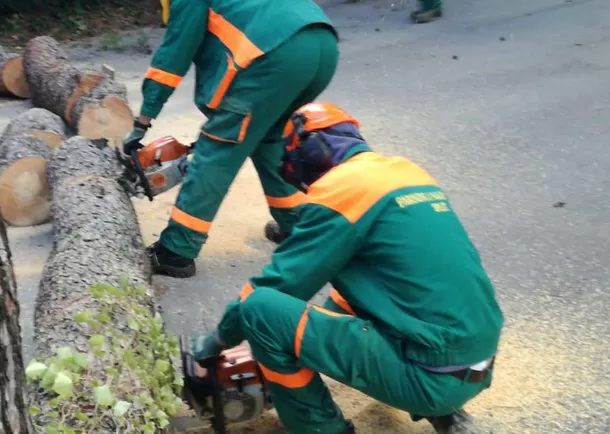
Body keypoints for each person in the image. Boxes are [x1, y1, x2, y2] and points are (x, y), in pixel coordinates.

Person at [189, 102, 503, 434]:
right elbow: (368, 288)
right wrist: (305, 347)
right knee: (378, 296)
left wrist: (219, 339)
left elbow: (279, 285)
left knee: (259, 311)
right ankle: (447, 411)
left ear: (311, 153)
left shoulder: (340, 189)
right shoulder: (405, 173)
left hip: (428, 376)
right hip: (478, 362)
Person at [125, 0, 340, 278]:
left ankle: (176, 251)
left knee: (217, 151)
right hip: (323, 47)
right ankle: (297, 226)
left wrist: (140, 125)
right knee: (270, 142)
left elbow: (170, 63)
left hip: (276, 57)